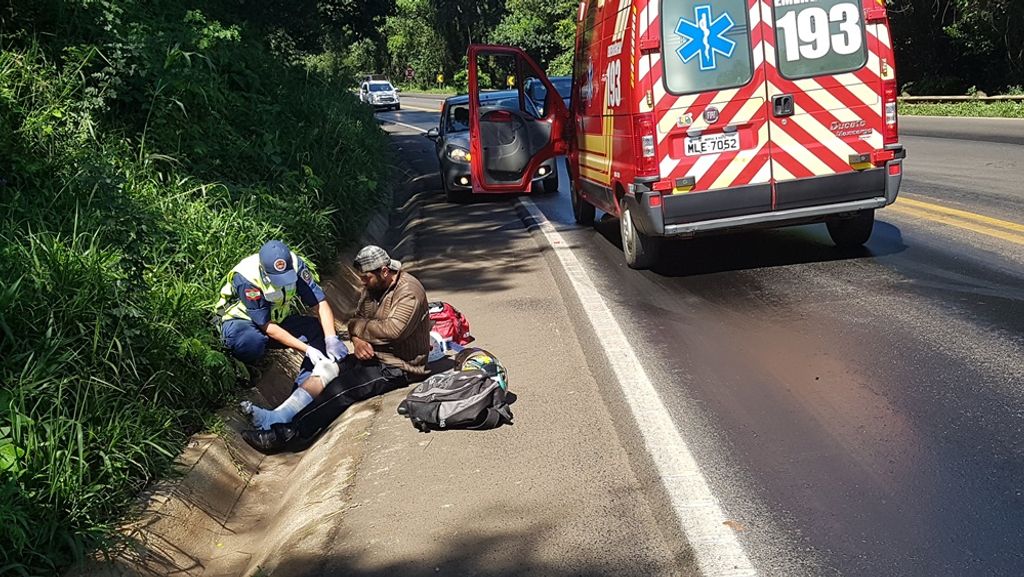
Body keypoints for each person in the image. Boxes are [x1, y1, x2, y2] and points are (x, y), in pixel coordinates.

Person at [241, 245, 432, 453]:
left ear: (384, 271)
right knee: (326, 368)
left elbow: (393, 330)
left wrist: (357, 329)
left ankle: (291, 435)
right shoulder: (374, 286)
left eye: (366, 278)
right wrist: (357, 340)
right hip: (373, 354)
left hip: (399, 365)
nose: (363, 282)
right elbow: (356, 320)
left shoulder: (409, 292)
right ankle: (279, 417)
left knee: (341, 390)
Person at [215, 240, 347, 387]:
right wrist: (307, 349)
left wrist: (331, 338)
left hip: (274, 321)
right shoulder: (247, 277)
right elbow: (265, 325)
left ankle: (305, 388)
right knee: (251, 342)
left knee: (318, 329)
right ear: (264, 270)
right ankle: (243, 368)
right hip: (239, 322)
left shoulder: (296, 265)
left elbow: (320, 303)